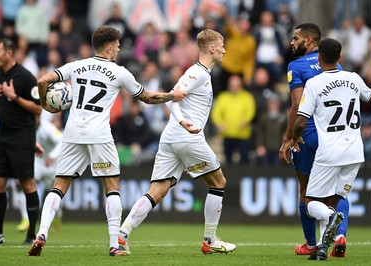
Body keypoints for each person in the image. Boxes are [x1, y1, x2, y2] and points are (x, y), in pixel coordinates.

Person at [28, 25, 187, 257]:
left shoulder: (76, 65)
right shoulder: (120, 72)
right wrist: (173, 96)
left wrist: (45, 104)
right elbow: (148, 97)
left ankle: (41, 233)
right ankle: (114, 245)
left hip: (73, 133)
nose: (120, 49)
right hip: (99, 134)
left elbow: (43, 81)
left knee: (59, 185)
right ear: (110, 47)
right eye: (119, 45)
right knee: (111, 187)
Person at [118, 29, 236, 255]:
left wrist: (180, 121)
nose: (224, 49)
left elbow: (173, 98)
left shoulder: (201, 73)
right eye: (221, 45)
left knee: (158, 190)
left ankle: (122, 235)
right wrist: (183, 122)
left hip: (171, 137)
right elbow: (172, 97)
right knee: (218, 183)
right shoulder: (198, 73)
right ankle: (210, 240)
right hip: (186, 137)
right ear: (211, 48)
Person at [291, 37, 371, 260]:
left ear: (319, 57)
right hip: (355, 153)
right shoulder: (353, 78)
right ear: (340, 58)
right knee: (335, 199)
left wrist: (294, 139)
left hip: (329, 152)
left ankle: (332, 220)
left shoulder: (315, 83)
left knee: (311, 203)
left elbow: (301, 120)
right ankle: (326, 245)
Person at [278, 23, 350, 257]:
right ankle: (340, 236)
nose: (292, 42)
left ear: (309, 41)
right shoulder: (335, 66)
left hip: (307, 135)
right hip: (335, 136)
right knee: (336, 193)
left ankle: (311, 243)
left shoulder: (295, 66)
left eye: (296, 38)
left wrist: (289, 138)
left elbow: (297, 105)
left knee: (306, 191)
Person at [0, 38, 42, 245]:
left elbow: (38, 108)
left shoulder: (25, 77)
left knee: (26, 183)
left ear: (8, 54)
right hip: (0, 136)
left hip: (20, 136)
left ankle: (32, 234)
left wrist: (13, 97)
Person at [16, 112, 63, 232]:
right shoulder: (25, 127)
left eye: (36, 117)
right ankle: (25, 219)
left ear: (39, 117)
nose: (34, 119)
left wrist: (52, 156)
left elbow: (62, 140)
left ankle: (57, 216)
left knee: (54, 192)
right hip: (36, 162)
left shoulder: (47, 127)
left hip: (51, 164)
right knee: (24, 185)